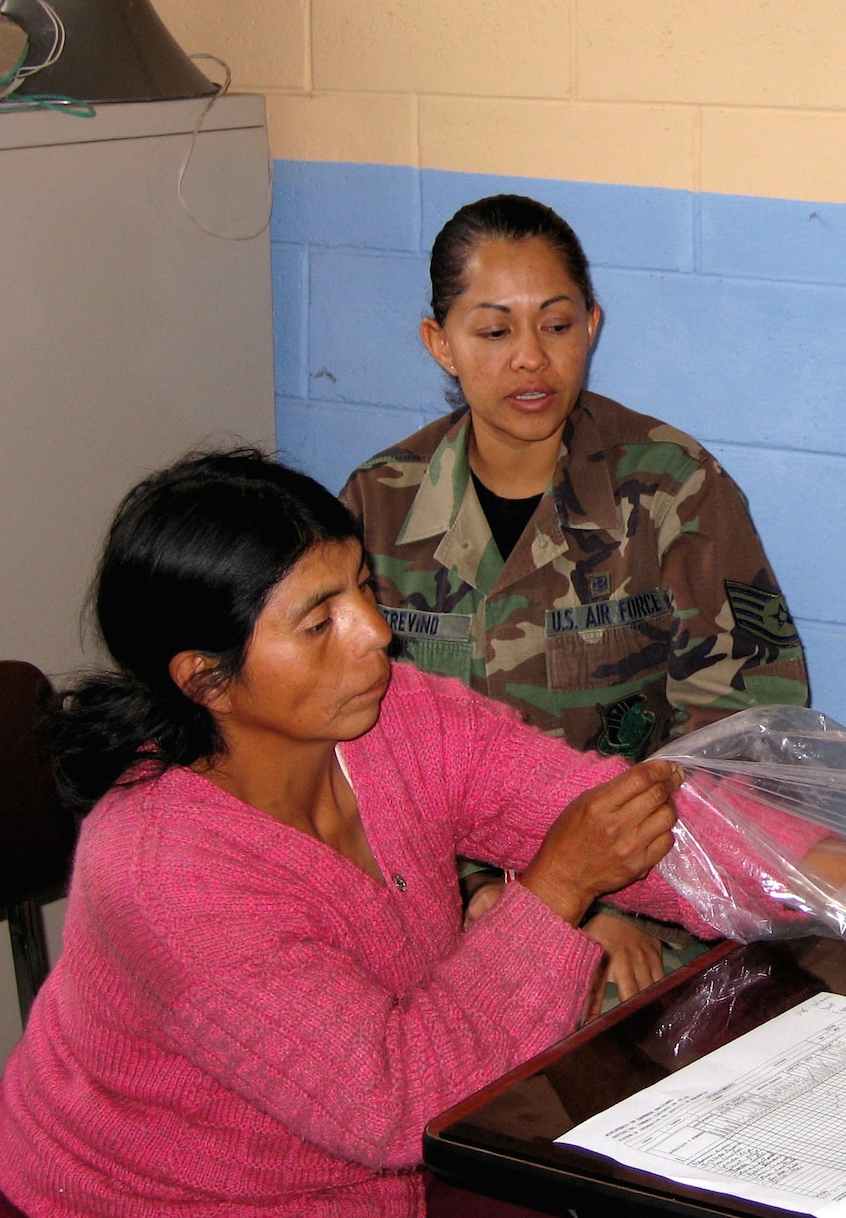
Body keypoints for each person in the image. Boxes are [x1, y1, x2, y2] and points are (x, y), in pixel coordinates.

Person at [0, 451, 732, 1216]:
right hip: (175, 1199)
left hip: (388, 1163)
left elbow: (603, 807)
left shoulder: (391, 717)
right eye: (320, 622)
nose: (375, 632)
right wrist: (561, 886)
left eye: (362, 589)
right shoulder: (166, 875)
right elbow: (396, 1103)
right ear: (206, 678)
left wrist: (833, 860)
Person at [341, 193, 809, 1003]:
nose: (530, 358)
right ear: (440, 344)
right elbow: (347, 754)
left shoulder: (670, 491)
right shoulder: (378, 508)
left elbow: (743, 735)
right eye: (493, 331)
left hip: (645, 894)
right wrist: (486, 895)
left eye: (556, 326)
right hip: (437, 904)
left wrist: (588, 892)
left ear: (591, 326)